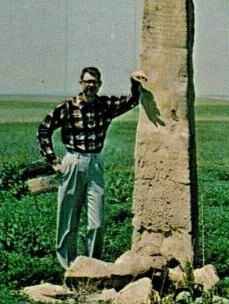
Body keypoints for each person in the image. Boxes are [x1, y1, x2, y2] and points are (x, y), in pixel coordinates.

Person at [37, 67, 147, 269]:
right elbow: (44, 129)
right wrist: (53, 161)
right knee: (68, 216)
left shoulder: (105, 105)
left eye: (94, 82)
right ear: (81, 83)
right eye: (87, 81)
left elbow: (132, 101)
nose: (91, 85)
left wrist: (134, 82)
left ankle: (92, 265)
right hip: (73, 161)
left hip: (95, 162)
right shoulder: (67, 107)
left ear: (99, 84)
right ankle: (69, 267)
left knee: (96, 221)